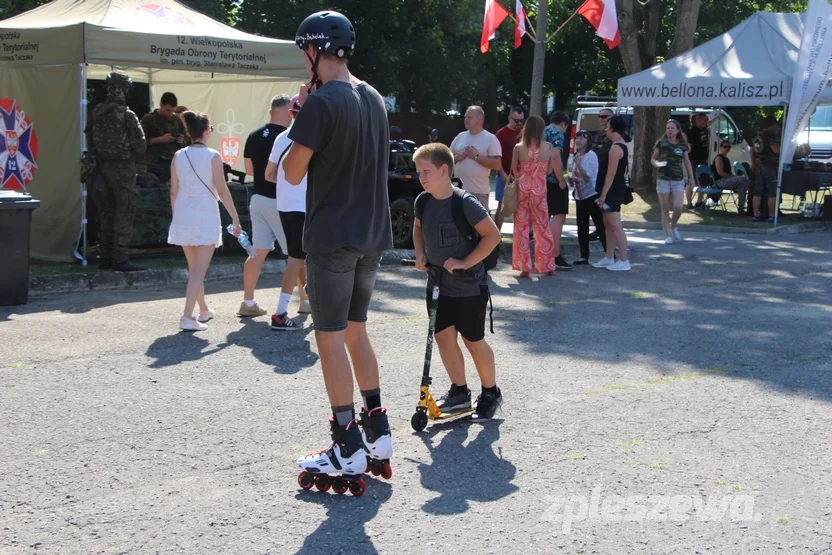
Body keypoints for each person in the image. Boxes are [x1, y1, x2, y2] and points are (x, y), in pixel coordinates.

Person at [283, 11, 393, 478]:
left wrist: (299, 118)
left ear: (313, 50)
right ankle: (378, 431)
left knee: (328, 336)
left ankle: (345, 443)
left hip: (332, 237)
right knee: (356, 330)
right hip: (372, 233)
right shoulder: (373, 99)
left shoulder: (321, 103)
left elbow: (290, 170)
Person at [412, 142, 503, 420]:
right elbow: (417, 229)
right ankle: (460, 393)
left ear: (443, 170)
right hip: (438, 284)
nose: (421, 177)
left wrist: (465, 262)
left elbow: (493, 236)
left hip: (469, 287)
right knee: (444, 339)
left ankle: (490, 392)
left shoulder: (465, 203)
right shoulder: (422, 201)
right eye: (418, 172)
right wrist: (420, 253)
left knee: (473, 340)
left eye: (425, 171)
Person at [168, 112, 242, 331]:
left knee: (195, 268)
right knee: (199, 270)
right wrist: (235, 218)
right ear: (207, 130)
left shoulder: (178, 155)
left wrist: (178, 215)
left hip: (183, 212)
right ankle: (187, 316)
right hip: (205, 213)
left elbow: (174, 191)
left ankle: (202, 309)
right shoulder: (213, 156)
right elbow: (222, 190)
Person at [238, 94, 293, 319]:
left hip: (258, 198)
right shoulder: (288, 138)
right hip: (281, 202)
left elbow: (249, 170)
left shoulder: (254, 135)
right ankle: (306, 301)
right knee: (296, 256)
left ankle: (248, 301)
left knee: (257, 252)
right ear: (285, 111)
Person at [86, 71, 148, 272]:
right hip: (122, 171)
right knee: (124, 212)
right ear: (125, 91)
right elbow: (140, 146)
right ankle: (120, 258)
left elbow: (89, 139)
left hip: (99, 170)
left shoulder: (97, 112)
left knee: (106, 214)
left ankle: (105, 257)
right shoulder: (127, 115)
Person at [264, 94, 311, 329]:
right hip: (304, 206)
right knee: (296, 259)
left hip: (283, 205)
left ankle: (308, 301)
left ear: (291, 114)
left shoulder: (281, 137)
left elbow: (269, 175)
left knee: (298, 256)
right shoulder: (311, 139)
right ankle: (280, 312)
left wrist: (286, 185)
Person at [510, 115, 555, 277]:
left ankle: (524, 267)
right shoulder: (548, 147)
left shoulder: (518, 147)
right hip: (539, 190)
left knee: (521, 227)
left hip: (523, 188)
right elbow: (549, 171)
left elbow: (514, 170)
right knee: (542, 226)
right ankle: (547, 265)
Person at [593, 115, 631, 272]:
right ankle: (609, 257)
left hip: (613, 191)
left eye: (608, 125)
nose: (605, 128)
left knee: (615, 225)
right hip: (614, 189)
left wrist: (603, 194)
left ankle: (624, 259)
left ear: (613, 128)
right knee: (607, 224)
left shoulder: (616, 148)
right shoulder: (619, 145)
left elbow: (611, 173)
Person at [450, 106, 503, 209]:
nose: (465, 119)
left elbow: (497, 164)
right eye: (465, 117)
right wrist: (456, 158)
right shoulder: (460, 136)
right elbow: (447, 157)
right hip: (458, 190)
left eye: (469, 117)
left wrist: (476, 156)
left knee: (477, 224)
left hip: (478, 192)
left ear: (479, 119)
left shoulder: (490, 138)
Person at [652, 119, 694, 245]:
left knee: (678, 207)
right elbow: (653, 159)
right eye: (668, 128)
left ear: (677, 130)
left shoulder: (682, 145)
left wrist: (691, 178)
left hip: (677, 180)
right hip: (663, 179)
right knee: (665, 209)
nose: (669, 130)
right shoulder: (661, 143)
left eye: (672, 128)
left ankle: (673, 225)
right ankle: (668, 235)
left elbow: (687, 162)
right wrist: (658, 164)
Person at [570, 130, 606, 264]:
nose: (578, 140)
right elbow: (576, 175)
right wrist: (572, 180)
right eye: (577, 138)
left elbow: (587, 177)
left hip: (591, 195)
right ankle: (584, 256)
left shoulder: (591, 156)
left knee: (600, 225)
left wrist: (578, 164)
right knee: (581, 227)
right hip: (579, 196)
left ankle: (609, 253)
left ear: (588, 141)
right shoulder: (576, 155)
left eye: (582, 138)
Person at [141, 92, 189, 183]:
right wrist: (159, 139)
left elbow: (188, 139)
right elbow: (141, 142)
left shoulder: (176, 120)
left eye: (172, 111)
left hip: (174, 161)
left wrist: (182, 140)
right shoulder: (148, 120)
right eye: (167, 110)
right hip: (155, 163)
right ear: (161, 105)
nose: (170, 113)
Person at [545, 111, 572, 270]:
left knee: (543, 218)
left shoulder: (541, 131)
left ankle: (544, 253)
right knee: (558, 217)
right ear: (564, 124)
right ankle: (554, 254)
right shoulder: (557, 134)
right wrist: (561, 180)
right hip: (553, 182)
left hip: (539, 181)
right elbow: (555, 156)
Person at [494, 106, 525, 230]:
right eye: (516, 120)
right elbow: (496, 157)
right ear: (509, 118)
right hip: (505, 175)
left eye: (521, 120)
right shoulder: (501, 134)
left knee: (521, 206)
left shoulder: (525, 132)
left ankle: (520, 236)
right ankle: (496, 238)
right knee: (502, 205)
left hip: (522, 176)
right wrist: (502, 174)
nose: (519, 124)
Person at [750, 117, 781, 223]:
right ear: (770, 125)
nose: (776, 127)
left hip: (759, 166)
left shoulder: (756, 137)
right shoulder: (771, 137)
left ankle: (755, 215)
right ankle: (771, 215)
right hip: (770, 166)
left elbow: (752, 150)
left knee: (757, 192)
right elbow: (776, 150)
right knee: (771, 192)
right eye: (775, 125)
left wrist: (753, 163)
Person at [685, 112, 715, 209]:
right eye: (705, 120)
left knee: (703, 181)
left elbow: (709, 123)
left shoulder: (704, 128)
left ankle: (699, 201)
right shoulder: (691, 130)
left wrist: (717, 117)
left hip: (703, 158)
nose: (706, 122)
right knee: (691, 180)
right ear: (698, 120)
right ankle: (689, 203)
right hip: (693, 159)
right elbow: (684, 140)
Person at [711, 140, 750, 214]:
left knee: (742, 186)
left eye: (729, 147)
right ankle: (751, 193)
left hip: (727, 180)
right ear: (721, 148)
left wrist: (733, 177)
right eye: (725, 147)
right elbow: (720, 173)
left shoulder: (727, 159)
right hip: (719, 181)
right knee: (742, 179)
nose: (727, 148)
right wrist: (733, 177)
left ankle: (741, 208)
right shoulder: (719, 158)